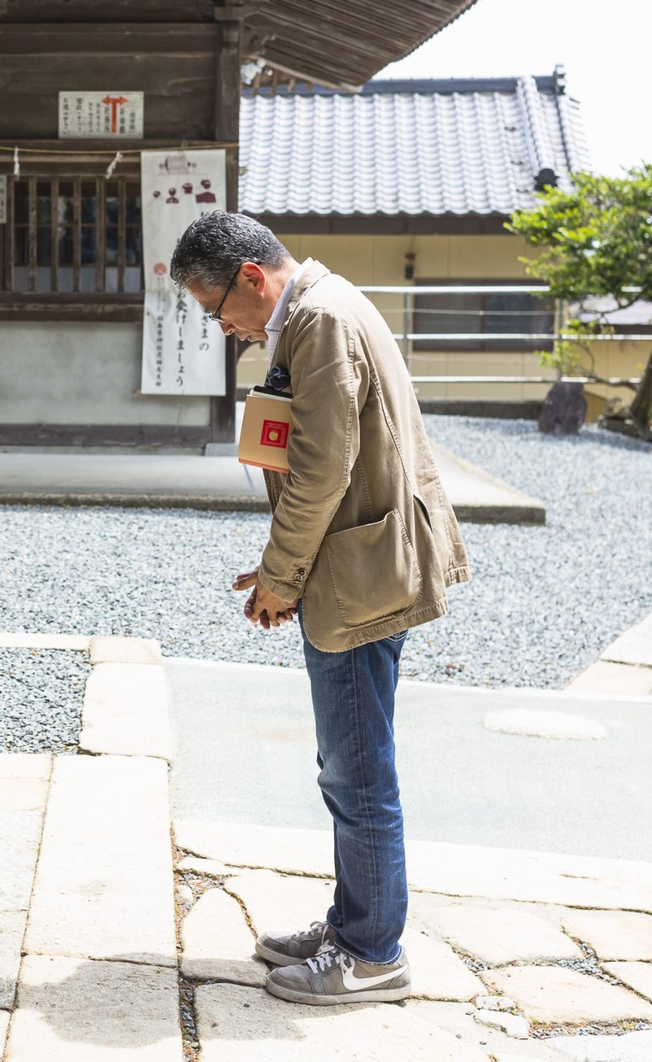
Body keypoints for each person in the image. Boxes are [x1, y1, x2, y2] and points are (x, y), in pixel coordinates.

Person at [169, 213, 469, 1006]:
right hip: (359, 560)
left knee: (357, 767)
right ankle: (352, 925)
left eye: (216, 309)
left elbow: (320, 473)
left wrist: (280, 576)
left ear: (250, 277)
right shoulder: (325, 305)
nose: (225, 328)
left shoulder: (319, 322)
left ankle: (372, 952)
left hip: (355, 572)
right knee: (353, 761)